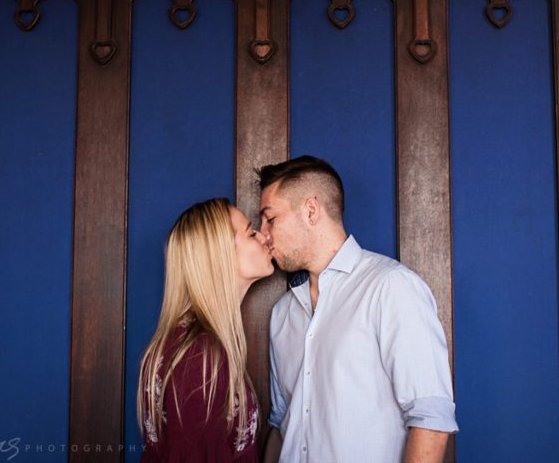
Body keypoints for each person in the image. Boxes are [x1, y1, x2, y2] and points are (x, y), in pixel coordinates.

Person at [259, 156, 457, 463]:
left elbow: (431, 419)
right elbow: (281, 421)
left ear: (311, 210)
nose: (263, 234)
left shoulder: (391, 288)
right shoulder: (283, 313)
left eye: (270, 219)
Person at [138, 197, 275, 462]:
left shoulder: (199, 346)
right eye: (250, 233)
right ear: (220, 255)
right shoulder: (198, 360)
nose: (263, 237)